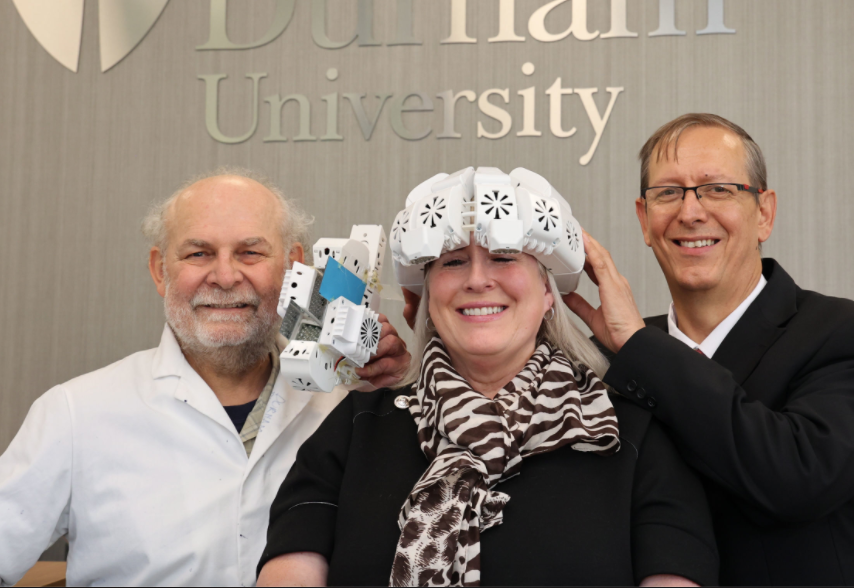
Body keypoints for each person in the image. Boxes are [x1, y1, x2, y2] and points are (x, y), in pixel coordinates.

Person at [0, 169, 409, 587]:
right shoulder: (78, 412)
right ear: (160, 270)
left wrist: (399, 394)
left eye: (250, 252)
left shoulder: (355, 403)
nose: (225, 276)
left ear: (296, 266)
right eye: (198, 253)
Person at [257, 167, 718, 587]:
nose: (477, 280)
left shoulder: (631, 434)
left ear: (547, 290)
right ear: (428, 295)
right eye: (452, 261)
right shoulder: (354, 429)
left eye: (503, 257)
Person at [559, 114, 854, 585]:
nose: (690, 212)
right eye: (668, 193)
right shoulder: (607, 359)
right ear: (645, 221)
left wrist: (640, 349)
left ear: (763, 212)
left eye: (718, 189)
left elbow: (793, 480)